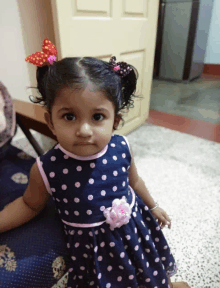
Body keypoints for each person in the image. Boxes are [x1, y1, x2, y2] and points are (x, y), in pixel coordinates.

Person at [0, 38, 191, 288]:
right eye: (69, 116)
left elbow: (134, 181)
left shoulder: (121, 147)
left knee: (147, 266)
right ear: (50, 122)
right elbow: (29, 204)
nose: (84, 130)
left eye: (97, 116)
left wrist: (153, 206)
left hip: (134, 231)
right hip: (95, 251)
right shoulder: (47, 168)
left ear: (115, 121)